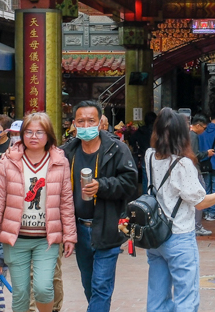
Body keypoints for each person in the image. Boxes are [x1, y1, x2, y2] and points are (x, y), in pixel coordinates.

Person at [144, 108, 215, 311]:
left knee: (157, 297)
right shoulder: (183, 163)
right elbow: (200, 202)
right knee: (186, 296)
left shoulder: (150, 155)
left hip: (156, 235)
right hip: (178, 236)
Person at [0, 112, 76, 312]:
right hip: (16, 239)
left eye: (39, 132)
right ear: (22, 134)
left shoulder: (60, 161)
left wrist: (69, 235)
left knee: (43, 288)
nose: (34, 136)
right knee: (21, 293)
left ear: (49, 135)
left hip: (47, 239)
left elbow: (66, 202)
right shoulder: (8, 161)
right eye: (29, 132)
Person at [61, 100, 138, 312]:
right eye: (81, 121)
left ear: (101, 122)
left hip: (107, 225)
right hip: (79, 229)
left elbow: (131, 183)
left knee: (101, 286)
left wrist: (101, 186)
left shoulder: (117, 149)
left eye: (91, 121)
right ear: (73, 124)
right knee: (89, 285)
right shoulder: (67, 153)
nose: (86, 126)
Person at [188, 114, 214, 236]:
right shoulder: (193, 136)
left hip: (188, 169)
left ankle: (194, 225)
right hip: (193, 169)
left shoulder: (186, 133)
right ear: (197, 125)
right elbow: (193, 155)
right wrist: (206, 154)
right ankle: (197, 226)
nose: (204, 131)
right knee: (200, 195)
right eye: (203, 128)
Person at [199, 114, 215, 221]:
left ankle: (204, 211)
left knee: (205, 189)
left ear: (209, 118)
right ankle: (212, 213)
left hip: (204, 163)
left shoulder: (202, 131)